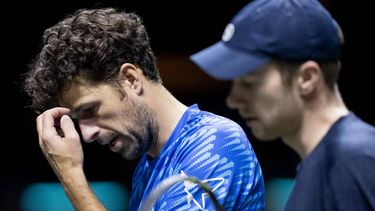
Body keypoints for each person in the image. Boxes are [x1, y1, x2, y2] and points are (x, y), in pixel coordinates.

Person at [21, 7, 265, 211]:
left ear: (130, 78)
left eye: (90, 110)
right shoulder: (147, 168)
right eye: (77, 119)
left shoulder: (216, 144)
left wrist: (72, 177)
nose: (86, 134)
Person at [190, 0, 375, 210]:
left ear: (307, 78)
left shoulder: (353, 160)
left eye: (250, 83)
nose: (233, 100)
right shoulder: (324, 165)